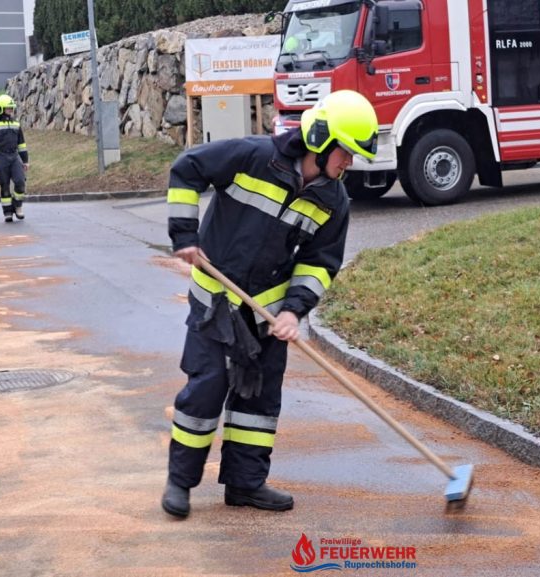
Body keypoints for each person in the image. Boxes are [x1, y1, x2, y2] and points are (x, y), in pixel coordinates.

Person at [161, 90, 379, 518]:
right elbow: (187, 169)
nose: (349, 163)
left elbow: (320, 264)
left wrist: (293, 310)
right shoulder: (253, 157)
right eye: (347, 153)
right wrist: (184, 235)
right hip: (216, 303)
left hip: (267, 315)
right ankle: (180, 483)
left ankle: (245, 485)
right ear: (322, 139)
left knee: (258, 401)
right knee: (206, 391)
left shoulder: (333, 201)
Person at [0, 94, 29, 223]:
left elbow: (22, 144)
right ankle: (7, 212)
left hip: (14, 156)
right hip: (0, 157)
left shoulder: (16, 124)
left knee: (20, 182)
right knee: (4, 185)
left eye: (11, 108)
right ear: (0, 108)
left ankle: (18, 206)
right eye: (8, 108)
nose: (11, 110)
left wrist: (25, 161)